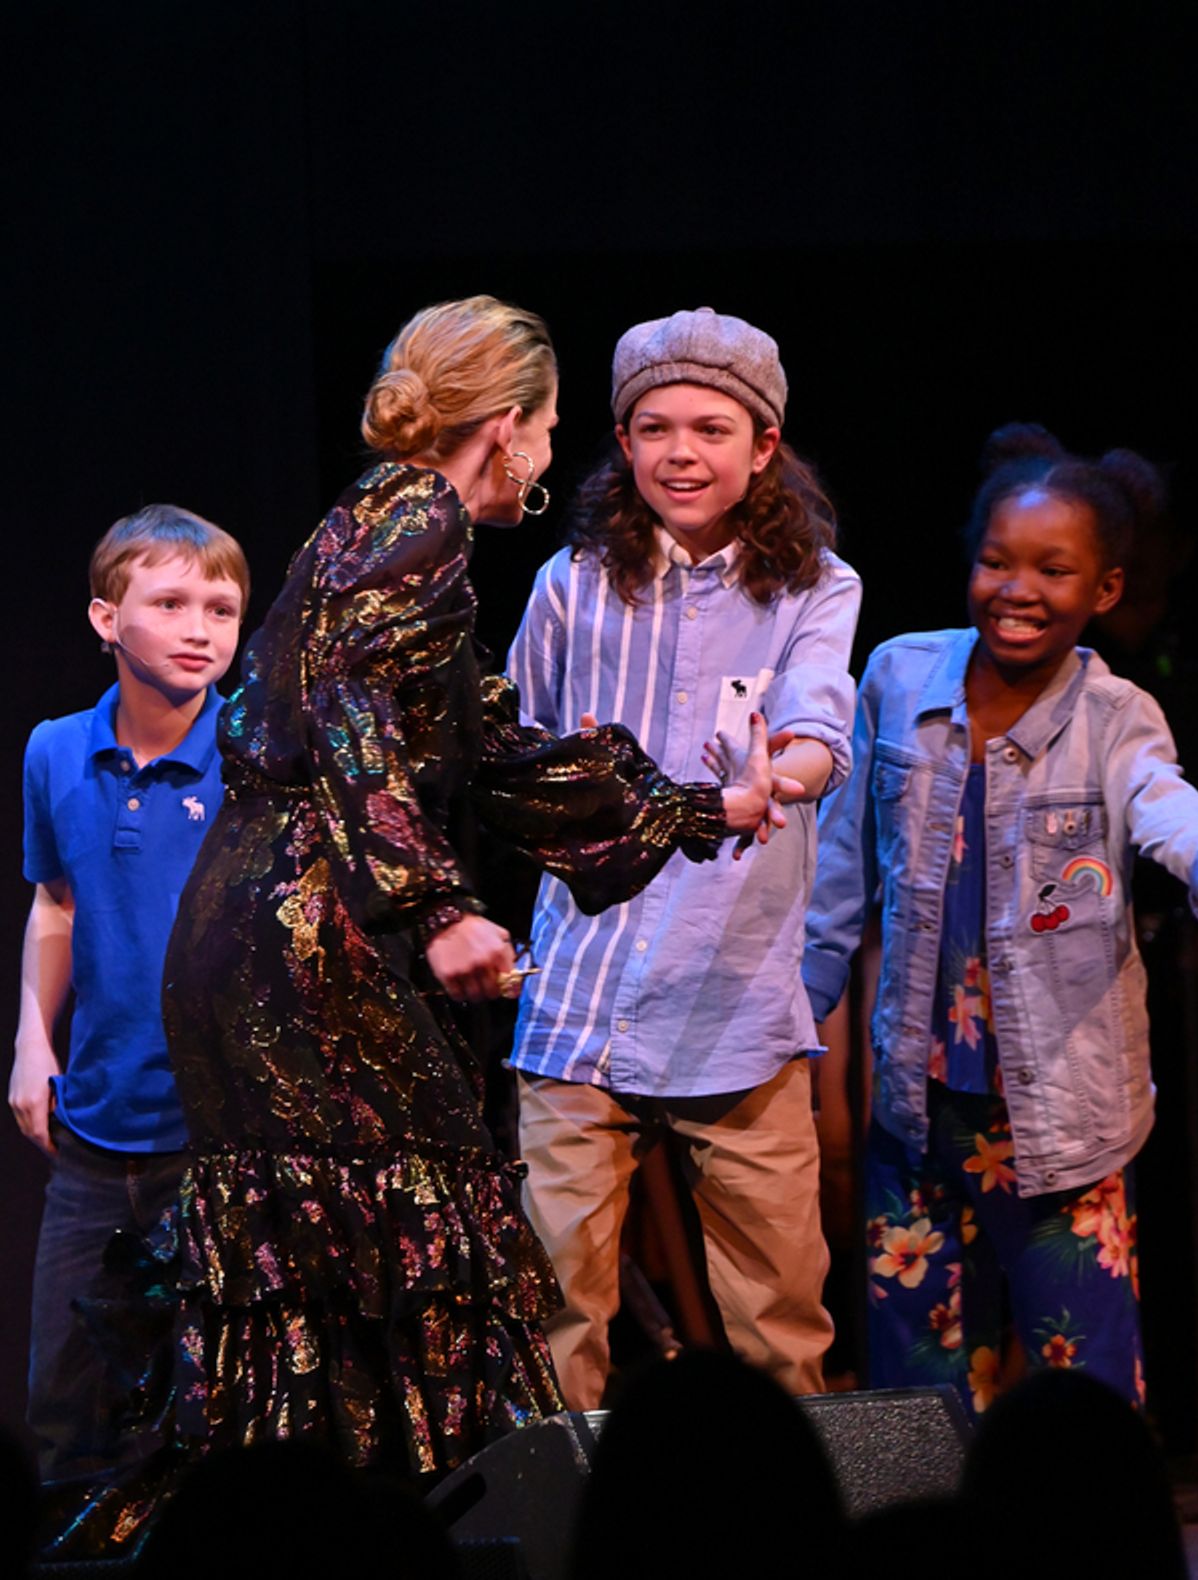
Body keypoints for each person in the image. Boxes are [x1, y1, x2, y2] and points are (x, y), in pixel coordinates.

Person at [54, 296, 781, 1543]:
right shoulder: (416, 515)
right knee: (407, 1231)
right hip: (306, 927)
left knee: (341, 1258)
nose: (547, 454)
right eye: (549, 427)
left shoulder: (383, 521)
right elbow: (346, 708)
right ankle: (400, 1531)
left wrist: (698, 806)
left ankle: (321, 1529)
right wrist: (435, 903)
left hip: (277, 917)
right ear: (506, 426)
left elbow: (483, 746)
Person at [803, 423, 1198, 1419]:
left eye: (1053, 570)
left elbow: (1165, 805)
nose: (1017, 589)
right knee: (917, 1395)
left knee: (1081, 1389)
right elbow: (840, 872)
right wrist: (797, 1013)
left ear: (1104, 589)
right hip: (916, 1105)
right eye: (996, 561)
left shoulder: (1118, 716)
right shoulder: (900, 676)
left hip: (1067, 1117)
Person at [508, 306, 862, 1406]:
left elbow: (818, 725)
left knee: (780, 1315)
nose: (681, 453)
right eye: (655, 428)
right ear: (623, 442)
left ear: (763, 446)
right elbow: (516, 751)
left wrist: (775, 779)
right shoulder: (572, 583)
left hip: (732, 995)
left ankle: (790, 1501)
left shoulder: (815, 585)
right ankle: (560, 1506)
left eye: (712, 429)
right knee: (555, 1304)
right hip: (582, 995)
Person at [11, 505, 250, 1481]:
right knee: (66, 1409)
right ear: (107, 619)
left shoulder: (257, 754)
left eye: (222, 609)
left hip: (221, 1133)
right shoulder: (56, 750)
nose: (201, 629)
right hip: (97, 1130)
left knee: (212, 1409)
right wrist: (33, 1040)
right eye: (171, 603)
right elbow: (56, 900)